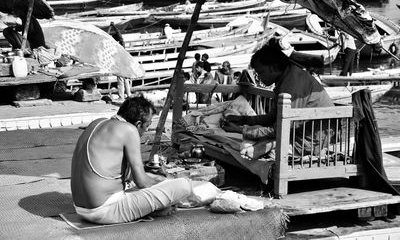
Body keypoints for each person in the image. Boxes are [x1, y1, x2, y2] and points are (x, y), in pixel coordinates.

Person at [70, 96, 193, 224]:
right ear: (138, 124)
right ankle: (151, 208)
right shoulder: (129, 130)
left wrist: (158, 180)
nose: (145, 131)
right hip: (105, 210)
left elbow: (128, 177)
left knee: (150, 183)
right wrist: (166, 182)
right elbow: (142, 182)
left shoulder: (97, 123)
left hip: (80, 208)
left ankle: (150, 208)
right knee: (184, 185)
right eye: (147, 125)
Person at [221, 44, 334, 160]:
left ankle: (269, 146)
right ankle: (267, 145)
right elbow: (272, 118)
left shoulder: (291, 85)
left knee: (247, 146)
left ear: (273, 67)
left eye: (261, 72)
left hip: (308, 142)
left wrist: (241, 130)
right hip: (298, 134)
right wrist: (243, 120)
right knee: (251, 142)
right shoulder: (287, 77)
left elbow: (279, 129)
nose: (259, 78)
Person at [107, 22, 131, 100]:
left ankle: (121, 96)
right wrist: (113, 26)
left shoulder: (116, 47)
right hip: (125, 63)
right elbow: (119, 35)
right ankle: (129, 94)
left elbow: (107, 37)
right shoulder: (122, 45)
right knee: (126, 80)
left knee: (120, 81)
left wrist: (112, 27)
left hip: (120, 64)